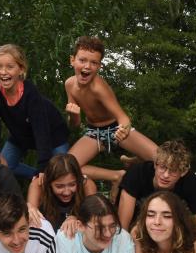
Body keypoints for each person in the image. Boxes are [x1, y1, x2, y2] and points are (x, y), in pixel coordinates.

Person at [65, 36, 158, 185]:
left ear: (99, 66)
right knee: (66, 167)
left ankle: (134, 160)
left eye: (94, 62)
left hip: (115, 129)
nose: (87, 66)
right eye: (82, 60)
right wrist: (73, 115)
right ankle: (117, 175)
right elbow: (75, 124)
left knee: (162, 159)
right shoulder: (69, 84)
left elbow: (123, 117)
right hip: (93, 133)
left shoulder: (99, 87)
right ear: (72, 60)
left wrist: (123, 130)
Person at [0, 44, 69, 179]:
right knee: (3, 168)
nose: (3, 72)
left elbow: (41, 129)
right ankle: (41, 177)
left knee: (61, 173)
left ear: (21, 69)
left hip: (52, 134)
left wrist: (43, 165)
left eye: (10, 67)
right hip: (21, 134)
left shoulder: (30, 92)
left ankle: (49, 176)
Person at [27, 154, 97, 231]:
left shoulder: (86, 185)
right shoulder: (39, 185)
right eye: (59, 186)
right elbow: (32, 213)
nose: (67, 192)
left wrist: (76, 218)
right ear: (48, 182)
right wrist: (30, 208)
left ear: (79, 180)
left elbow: (93, 217)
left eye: (72, 185)